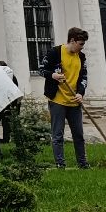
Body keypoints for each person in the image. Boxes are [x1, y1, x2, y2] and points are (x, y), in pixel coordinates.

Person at [41, 26, 91, 169]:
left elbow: (83, 76)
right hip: (57, 100)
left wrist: (81, 93)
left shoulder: (81, 57)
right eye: (80, 44)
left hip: (74, 100)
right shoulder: (55, 52)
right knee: (58, 135)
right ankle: (60, 164)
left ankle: (83, 163)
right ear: (72, 40)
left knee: (79, 135)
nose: (82, 47)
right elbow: (41, 69)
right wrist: (53, 75)